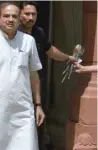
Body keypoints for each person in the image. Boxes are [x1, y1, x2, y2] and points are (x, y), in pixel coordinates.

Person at [0, 2, 45, 150]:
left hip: (23, 111)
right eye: (6, 16)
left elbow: (34, 74)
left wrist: (38, 105)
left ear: (19, 20)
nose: (10, 19)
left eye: (14, 16)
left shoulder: (29, 41)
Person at [18, 1, 76, 149]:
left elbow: (50, 51)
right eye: (27, 14)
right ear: (20, 14)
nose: (30, 17)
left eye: (33, 14)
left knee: (38, 122)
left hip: (37, 86)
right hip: (17, 87)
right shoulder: (13, 33)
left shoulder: (39, 32)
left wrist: (68, 58)